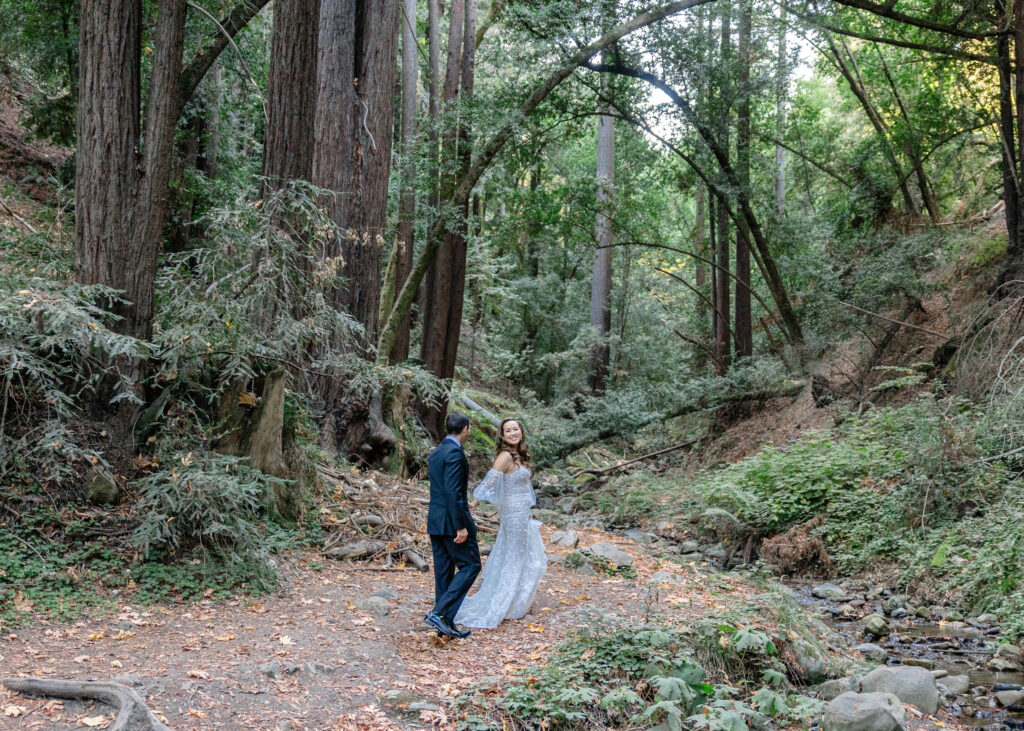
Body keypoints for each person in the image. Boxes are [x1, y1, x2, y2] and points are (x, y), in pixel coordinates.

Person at [454, 418, 546, 629]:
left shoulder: (519, 455)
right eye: (508, 430)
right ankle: (500, 604)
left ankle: (514, 601)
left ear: (521, 432)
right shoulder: (505, 456)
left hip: (521, 512)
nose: (513, 433)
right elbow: (490, 479)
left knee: (517, 554)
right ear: (502, 436)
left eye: (516, 429)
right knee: (514, 556)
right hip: (512, 513)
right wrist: (475, 501)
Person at [424, 412, 481, 639]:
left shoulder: (437, 452)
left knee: (444, 573)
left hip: (436, 521)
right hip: (450, 523)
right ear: (465, 429)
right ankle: (439, 613)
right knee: (471, 565)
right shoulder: (456, 453)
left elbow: (442, 488)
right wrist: (460, 525)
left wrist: (460, 502)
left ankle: (444, 625)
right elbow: (452, 490)